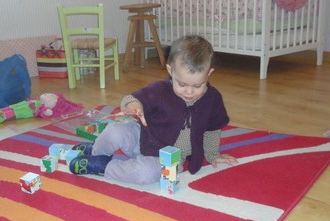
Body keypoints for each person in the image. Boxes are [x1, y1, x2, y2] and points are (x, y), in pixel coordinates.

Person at [69, 35, 238, 185]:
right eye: (182, 84)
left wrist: (213, 154)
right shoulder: (160, 89)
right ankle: (97, 151)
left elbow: (213, 130)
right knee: (115, 130)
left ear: (209, 73)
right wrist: (134, 106)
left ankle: (104, 166)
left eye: (197, 85)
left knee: (146, 174)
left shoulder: (213, 99)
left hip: (167, 159)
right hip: (143, 138)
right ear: (170, 70)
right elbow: (131, 99)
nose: (189, 92)